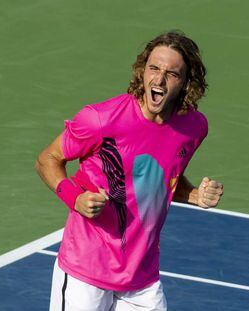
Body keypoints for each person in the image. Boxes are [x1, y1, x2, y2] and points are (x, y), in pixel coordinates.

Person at [35, 30, 223, 311]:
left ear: (186, 83)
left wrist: (194, 195)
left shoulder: (193, 128)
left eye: (171, 73)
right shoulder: (101, 120)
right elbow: (47, 159)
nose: (159, 79)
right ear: (142, 71)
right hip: (85, 273)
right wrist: (75, 198)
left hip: (141, 280)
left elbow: (161, 176)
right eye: (153, 68)